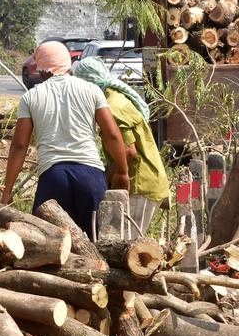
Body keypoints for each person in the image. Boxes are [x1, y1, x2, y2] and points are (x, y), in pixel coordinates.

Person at [2, 42, 130, 239]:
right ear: (68, 64)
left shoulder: (31, 97)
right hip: (91, 177)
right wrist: (122, 171)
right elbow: (112, 134)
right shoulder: (92, 90)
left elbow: (20, 146)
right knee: (96, 244)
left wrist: (7, 190)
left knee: (51, 245)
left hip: (53, 177)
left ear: (40, 68)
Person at [73, 57, 171, 237]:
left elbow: (128, 151)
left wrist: (106, 178)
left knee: (127, 245)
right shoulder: (114, 98)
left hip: (140, 183)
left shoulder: (112, 107)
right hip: (143, 182)